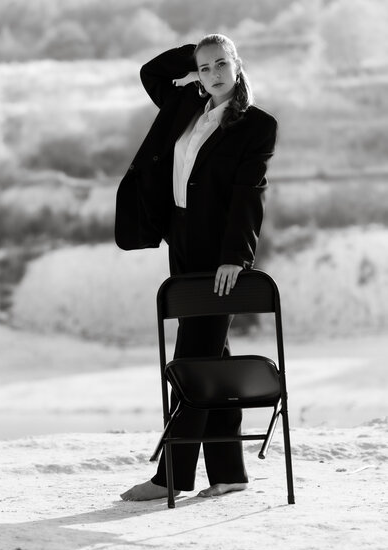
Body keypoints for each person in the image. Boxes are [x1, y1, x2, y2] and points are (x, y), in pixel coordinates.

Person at [115, 34, 278, 501]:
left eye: (221, 64)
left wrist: (235, 257)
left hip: (218, 252)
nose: (213, 74)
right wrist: (195, 54)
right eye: (205, 67)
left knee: (192, 360)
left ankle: (172, 475)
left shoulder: (257, 125)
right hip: (181, 241)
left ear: (237, 64)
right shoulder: (186, 103)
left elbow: (249, 194)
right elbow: (151, 72)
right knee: (212, 357)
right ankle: (229, 472)